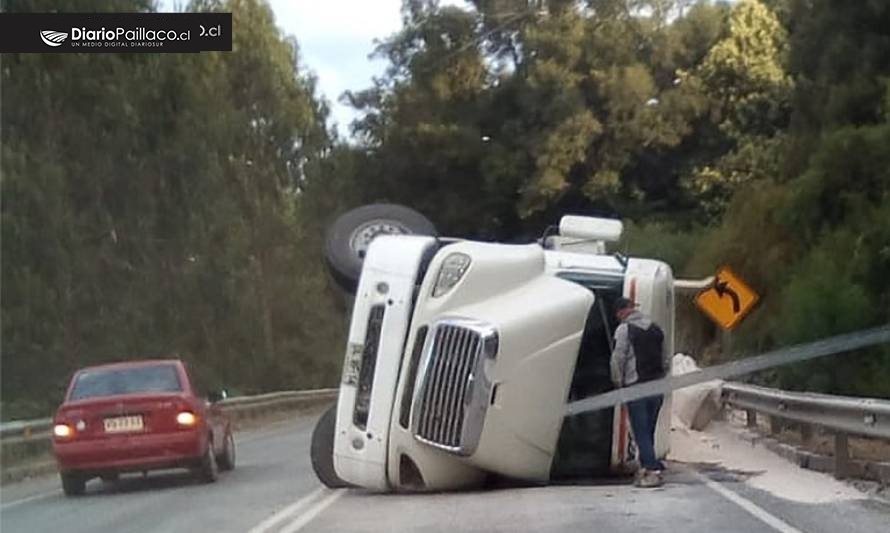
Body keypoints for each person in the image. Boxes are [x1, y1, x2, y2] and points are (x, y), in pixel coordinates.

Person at [610, 297, 667, 488]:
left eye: (618, 314)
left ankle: (651, 470)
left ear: (622, 312)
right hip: (658, 386)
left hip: (636, 387)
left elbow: (618, 358)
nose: (618, 318)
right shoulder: (656, 328)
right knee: (648, 430)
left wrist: (618, 382)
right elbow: (665, 359)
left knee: (640, 430)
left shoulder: (624, 330)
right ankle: (647, 465)